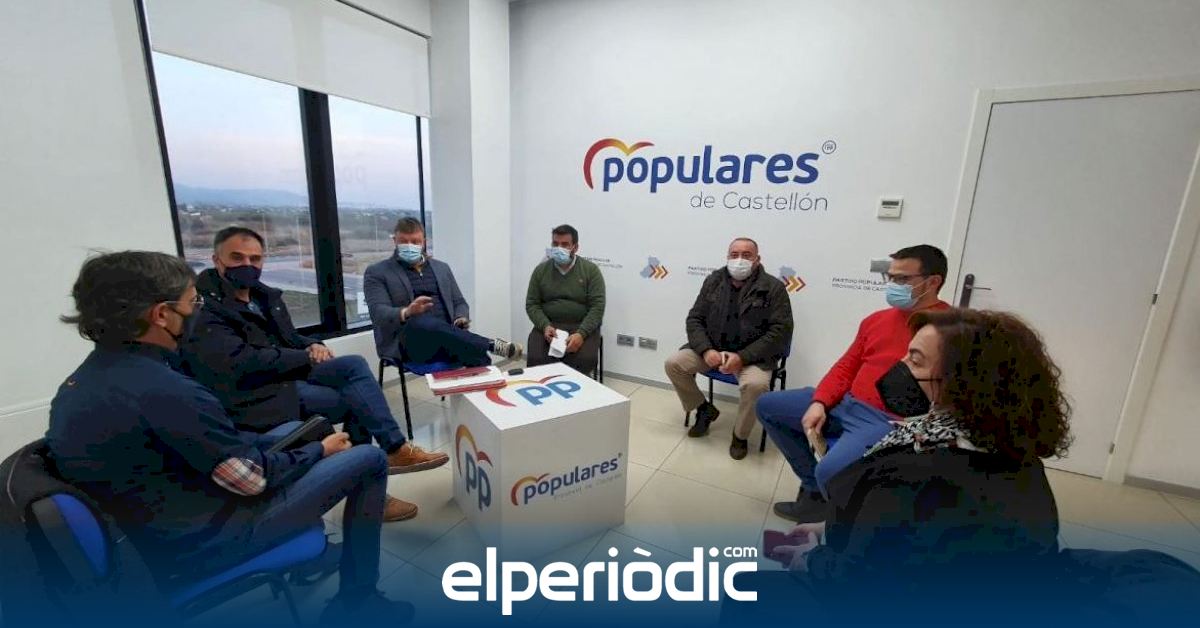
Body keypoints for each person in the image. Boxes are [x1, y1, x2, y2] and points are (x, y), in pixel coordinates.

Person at [46, 251, 413, 622]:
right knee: (368, 460)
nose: (198, 312)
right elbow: (250, 480)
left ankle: (312, 558)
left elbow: (197, 449)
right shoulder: (166, 390)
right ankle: (359, 601)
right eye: (193, 304)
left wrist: (302, 449)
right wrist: (319, 451)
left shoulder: (80, 384)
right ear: (161, 315)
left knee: (292, 430)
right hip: (205, 541)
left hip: (160, 523)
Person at [767, 308, 1072, 615]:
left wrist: (809, 557)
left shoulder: (910, 476)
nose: (898, 367)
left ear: (962, 382)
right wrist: (829, 527)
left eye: (914, 360)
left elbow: (853, 581)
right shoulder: (1023, 461)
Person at [182, 227, 447, 523]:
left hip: (285, 374)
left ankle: (393, 451)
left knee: (354, 366)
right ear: (216, 260)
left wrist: (313, 345)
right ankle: (374, 491)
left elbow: (289, 338)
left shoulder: (264, 296)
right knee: (358, 401)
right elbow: (241, 362)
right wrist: (304, 357)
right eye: (237, 257)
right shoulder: (205, 309)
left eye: (255, 259)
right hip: (257, 393)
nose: (247, 265)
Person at [758, 244, 950, 522]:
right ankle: (814, 490)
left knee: (830, 472)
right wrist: (820, 402)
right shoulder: (876, 320)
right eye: (891, 277)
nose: (892, 285)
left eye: (902, 279)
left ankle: (841, 513)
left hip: (887, 420)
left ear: (932, 282)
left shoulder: (952, 329)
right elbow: (846, 367)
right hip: (846, 402)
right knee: (768, 405)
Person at [664, 237, 793, 460]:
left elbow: (780, 332)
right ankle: (704, 409)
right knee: (674, 364)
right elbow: (695, 319)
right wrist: (706, 350)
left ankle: (740, 436)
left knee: (756, 385)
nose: (739, 260)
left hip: (753, 357)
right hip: (712, 350)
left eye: (746, 255)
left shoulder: (773, 288)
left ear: (757, 259)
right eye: (734, 255)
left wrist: (742, 357)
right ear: (727, 257)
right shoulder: (714, 281)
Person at [364, 218, 523, 368]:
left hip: (446, 338)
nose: (409, 246)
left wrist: (460, 318)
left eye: (415, 242)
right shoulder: (378, 272)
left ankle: (481, 375)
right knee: (421, 321)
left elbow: (459, 302)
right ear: (395, 241)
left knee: (479, 356)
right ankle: (492, 345)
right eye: (404, 241)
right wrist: (407, 311)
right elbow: (378, 312)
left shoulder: (441, 268)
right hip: (409, 345)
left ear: (424, 242)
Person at [525, 224, 606, 375]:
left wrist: (581, 334)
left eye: (564, 244)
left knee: (584, 360)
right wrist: (545, 326)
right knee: (536, 359)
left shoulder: (591, 271)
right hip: (549, 326)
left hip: (581, 326)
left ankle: (576, 389)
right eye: (555, 244)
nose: (559, 248)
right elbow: (532, 304)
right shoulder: (540, 271)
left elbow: (597, 307)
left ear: (575, 247)